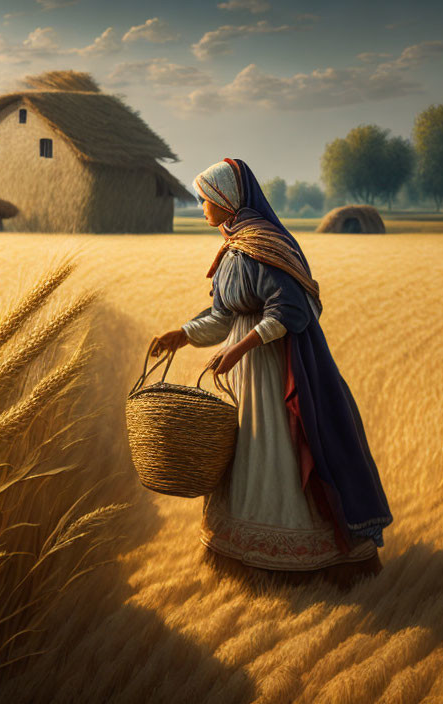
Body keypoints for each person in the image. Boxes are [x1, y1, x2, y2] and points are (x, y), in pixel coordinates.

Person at [150, 158, 392, 586]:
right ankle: (243, 552)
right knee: (245, 451)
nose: (203, 206)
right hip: (245, 369)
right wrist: (182, 335)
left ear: (227, 200)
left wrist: (239, 350)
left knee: (278, 448)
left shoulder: (264, 245)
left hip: (275, 367)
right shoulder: (231, 250)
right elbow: (223, 316)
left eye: (207, 199)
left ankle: (297, 558)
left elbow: (290, 311)